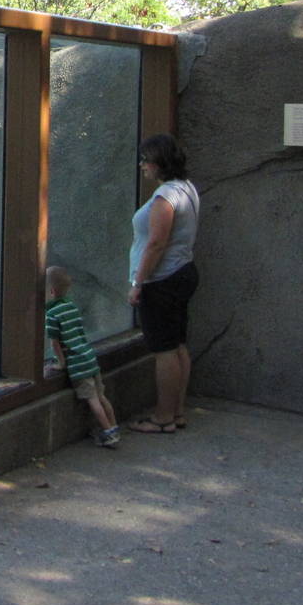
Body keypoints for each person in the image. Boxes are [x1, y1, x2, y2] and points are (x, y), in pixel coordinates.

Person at [127, 133, 201, 434]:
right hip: (183, 271)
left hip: (162, 279)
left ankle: (163, 417)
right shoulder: (187, 188)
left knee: (164, 350)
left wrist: (137, 282)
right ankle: (178, 412)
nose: (142, 165)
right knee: (178, 344)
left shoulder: (164, 197)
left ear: (159, 163)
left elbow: (156, 243)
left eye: (146, 160)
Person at [44, 266, 120, 447]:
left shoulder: (52, 315)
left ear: (52, 292)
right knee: (102, 396)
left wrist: (61, 364)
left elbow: (55, 343)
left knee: (92, 400)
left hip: (77, 364)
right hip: (89, 357)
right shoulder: (71, 306)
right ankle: (114, 426)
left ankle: (109, 433)